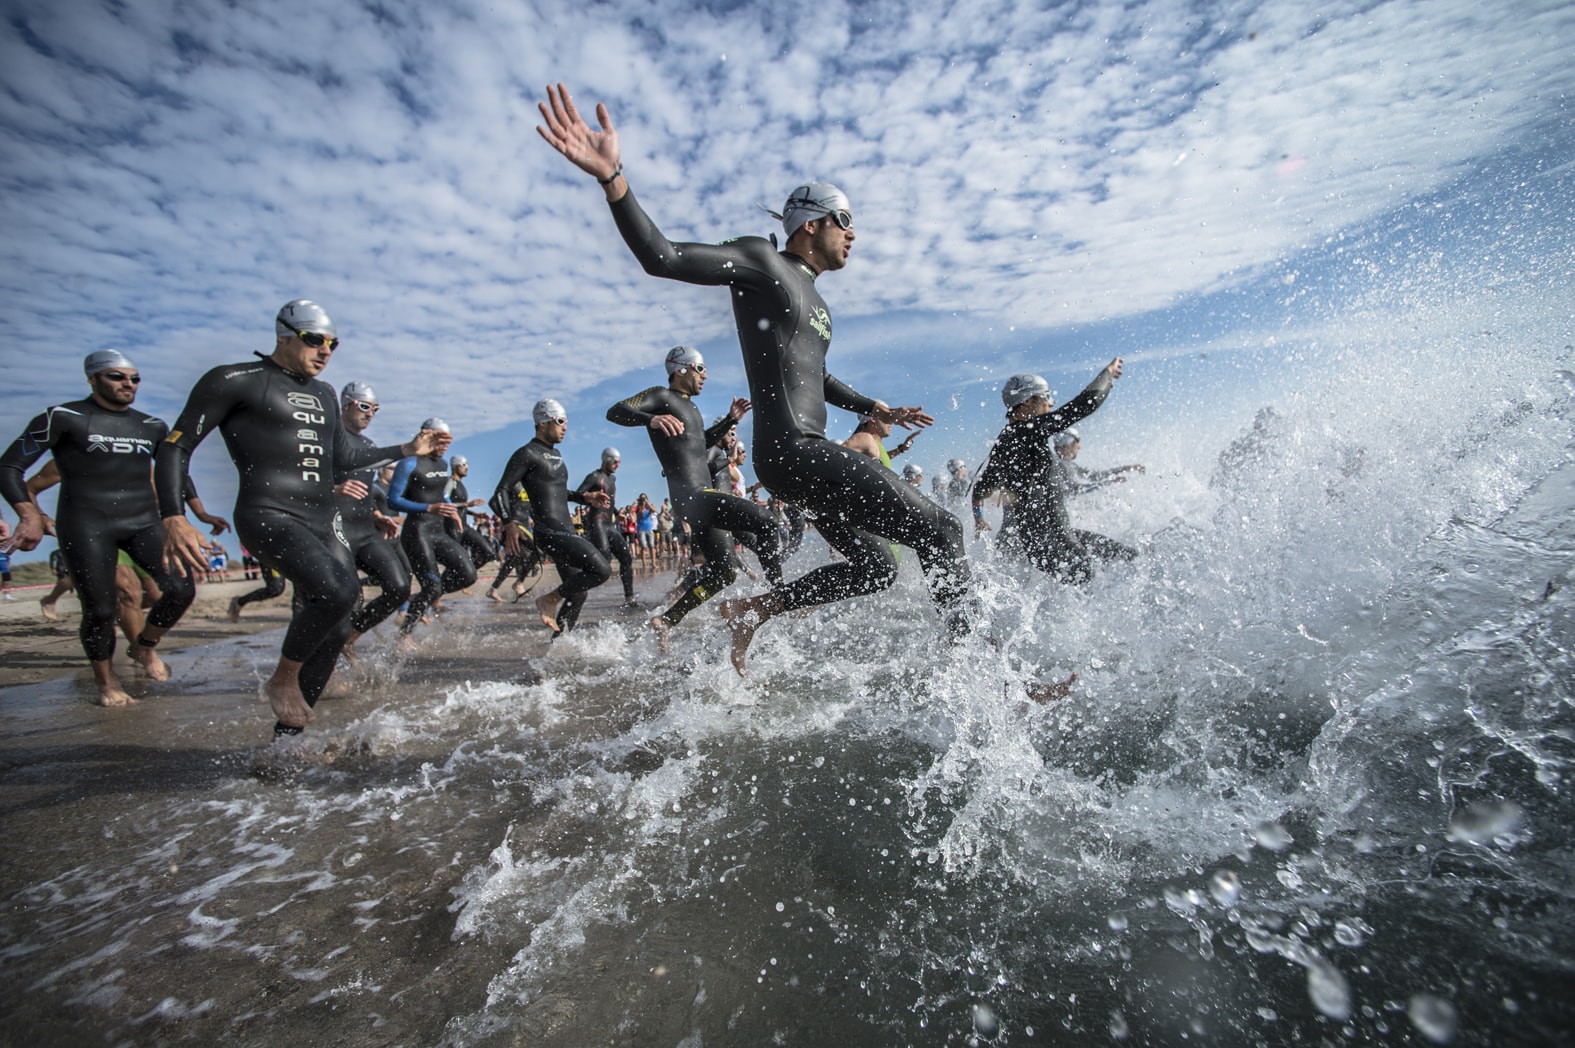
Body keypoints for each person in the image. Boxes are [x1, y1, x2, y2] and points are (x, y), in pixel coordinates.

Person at [538, 83, 971, 673]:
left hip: (801, 457)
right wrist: (614, 178)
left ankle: (755, 610)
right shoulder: (762, 262)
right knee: (943, 532)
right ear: (810, 222)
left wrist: (878, 408)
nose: (854, 233)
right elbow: (661, 256)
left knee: (879, 567)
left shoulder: (814, 301)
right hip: (794, 451)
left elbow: (817, 377)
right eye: (845, 219)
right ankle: (993, 681)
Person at [155, 300, 444, 734]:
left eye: (333, 343)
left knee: (340, 614)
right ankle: (284, 677)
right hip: (268, 512)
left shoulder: (324, 394)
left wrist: (406, 449)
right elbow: (176, 446)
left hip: (323, 521)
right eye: (315, 340)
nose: (326, 350)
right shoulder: (235, 380)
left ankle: (286, 743)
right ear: (283, 335)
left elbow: (347, 455)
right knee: (337, 590)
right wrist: (174, 517)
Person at [0, 350, 196, 706]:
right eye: (117, 377)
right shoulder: (63, 417)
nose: (128, 384)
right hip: (86, 523)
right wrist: (28, 513)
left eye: (134, 378)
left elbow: (174, 474)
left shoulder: (151, 425)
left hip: (142, 522)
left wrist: (184, 515)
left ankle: (144, 646)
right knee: (101, 610)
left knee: (181, 589)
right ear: (92, 378)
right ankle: (106, 682)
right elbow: (9, 467)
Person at [606, 344, 782, 648]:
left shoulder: (692, 407)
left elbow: (700, 445)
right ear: (681, 369)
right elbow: (616, 411)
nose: (705, 375)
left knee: (725, 574)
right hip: (694, 495)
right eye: (701, 369)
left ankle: (667, 620)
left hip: (699, 499)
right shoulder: (661, 396)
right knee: (766, 521)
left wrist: (730, 419)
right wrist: (650, 419)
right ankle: (780, 597)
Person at [971, 361, 1137, 584]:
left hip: (1048, 539)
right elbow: (1085, 404)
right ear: (1028, 401)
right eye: (1046, 396)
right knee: (1091, 580)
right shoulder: (1028, 431)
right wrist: (1106, 376)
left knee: (1124, 555)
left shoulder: (1006, 441)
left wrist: (979, 519)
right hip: (1052, 540)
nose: (1051, 402)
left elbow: (980, 489)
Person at [493, 399, 611, 635]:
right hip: (549, 532)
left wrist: (584, 497)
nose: (565, 427)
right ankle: (549, 599)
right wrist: (510, 523)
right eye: (560, 421)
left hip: (564, 529)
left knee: (578, 592)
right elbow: (500, 492)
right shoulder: (527, 453)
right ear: (542, 422)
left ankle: (559, 647)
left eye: (566, 422)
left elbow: (556, 492)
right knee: (602, 570)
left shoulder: (555, 454)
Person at [332, 381, 413, 649]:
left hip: (365, 529)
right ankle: (318, 661)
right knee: (345, 598)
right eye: (364, 406)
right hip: (333, 529)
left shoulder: (368, 444)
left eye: (375, 409)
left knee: (399, 586)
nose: (370, 413)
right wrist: (334, 488)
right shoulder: (328, 437)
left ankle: (350, 639)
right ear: (345, 404)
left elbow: (364, 492)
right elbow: (303, 479)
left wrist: (377, 515)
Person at [387, 418, 475, 640]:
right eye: (440, 439)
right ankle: (405, 633)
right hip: (417, 532)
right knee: (432, 586)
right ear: (426, 436)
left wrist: (450, 508)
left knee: (467, 573)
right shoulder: (409, 463)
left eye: (448, 440)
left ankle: (423, 597)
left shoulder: (443, 464)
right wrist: (428, 507)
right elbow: (393, 500)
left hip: (438, 531)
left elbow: (442, 493)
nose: (445, 445)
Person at [574, 446, 637, 606]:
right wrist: (589, 497)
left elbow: (610, 501)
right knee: (604, 561)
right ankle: (574, 583)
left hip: (610, 524)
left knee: (626, 558)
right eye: (615, 462)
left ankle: (629, 598)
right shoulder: (594, 477)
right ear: (606, 461)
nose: (618, 465)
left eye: (619, 462)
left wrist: (617, 512)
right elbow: (577, 495)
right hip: (596, 523)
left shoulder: (612, 479)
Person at [1053, 428, 1145, 493]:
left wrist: (1123, 469)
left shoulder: (1068, 465)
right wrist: (1106, 483)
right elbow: (1073, 490)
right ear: (1068, 444)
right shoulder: (1060, 465)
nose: (1079, 447)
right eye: (1077, 443)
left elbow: (1094, 476)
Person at [446, 455, 496, 572]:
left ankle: (466, 574)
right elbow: (445, 503)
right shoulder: (450, 482)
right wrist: (467, 504)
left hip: (464, 527)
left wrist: (475, 514)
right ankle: (454, 580)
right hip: (452, 528)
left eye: (467, 465)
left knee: (489, 552)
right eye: (463, 465)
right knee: (455, 561)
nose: (466, 468)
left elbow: (460, 506)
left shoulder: (461, 484)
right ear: (454, 466)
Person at [843, 413, 918, 469]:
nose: (890, 422)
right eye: (886, 418)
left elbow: (879, 461)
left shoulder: (873, 444)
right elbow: (835, 455)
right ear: (873, 419)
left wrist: (901, 449)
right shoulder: (865, 438)